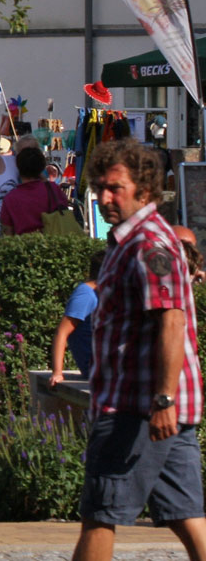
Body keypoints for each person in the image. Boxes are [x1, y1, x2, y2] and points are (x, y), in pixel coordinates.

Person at [71, 139, 206, 561]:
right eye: (99, 188)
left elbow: (172, 320)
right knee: (186, 516)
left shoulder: (149, 245)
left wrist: (163, 399)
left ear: (144, 191)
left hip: (138, 407)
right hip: (155, 407)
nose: (104, 198)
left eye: (115, 188)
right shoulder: (127, 240)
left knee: (101, 514)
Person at [49, 248, 107, 389]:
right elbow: (62, 332)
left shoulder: (103, 293)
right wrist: (57, 372)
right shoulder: (85, 295)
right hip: (96, 368)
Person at [0, 145, 72, 236]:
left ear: (18, 168)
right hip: (54, 242)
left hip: (24, 246)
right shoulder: (53, 189)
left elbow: (7, 232)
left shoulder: (10, 198)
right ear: (42, 167)